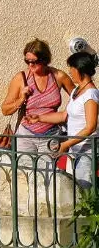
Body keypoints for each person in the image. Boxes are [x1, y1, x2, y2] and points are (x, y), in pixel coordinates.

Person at [29, 50, 97, 189]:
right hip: (74, 150)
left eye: (71, 68)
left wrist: (65, 145)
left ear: (79, 69)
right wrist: (39, 118)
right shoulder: (76, 92)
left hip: (86, 153)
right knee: (73, 193)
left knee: (84, 193)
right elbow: (64, 116)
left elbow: (90, 127)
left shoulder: (91, 94)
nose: (70, 72)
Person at [0, 38, 73, 156]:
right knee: (24, 172)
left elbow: (78, 97)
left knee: (48, 173)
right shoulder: (21, 78)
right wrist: (20, 99)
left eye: (34, 61)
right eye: (27, 61)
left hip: (51, 134)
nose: (30, 65)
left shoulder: (59, 76)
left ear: (44, 60)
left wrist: (65, 114)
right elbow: (5, 110)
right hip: (26, 136)